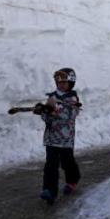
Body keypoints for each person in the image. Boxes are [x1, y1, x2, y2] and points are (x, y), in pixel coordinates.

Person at [35, 67, 82, 204]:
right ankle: (49, 191)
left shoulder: (73, 99)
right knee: (51, 165)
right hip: (51, 139)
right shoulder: (52, 97)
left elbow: (70, 116)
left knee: (67, 163)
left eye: (64, 82)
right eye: (59, 82)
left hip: (66, 140)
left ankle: (73, 180)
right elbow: (47, 119)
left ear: (71, 84)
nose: (61, 85)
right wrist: (44, 112)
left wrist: (55, 112)